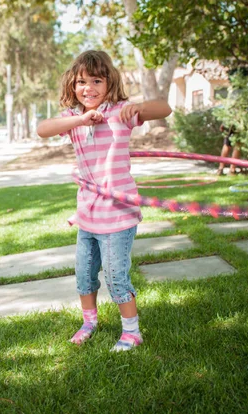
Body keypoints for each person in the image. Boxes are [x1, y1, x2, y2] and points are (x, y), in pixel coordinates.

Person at [36, 50, 172, 352]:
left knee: (115, 276)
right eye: (82, 82)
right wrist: (81, 120)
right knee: (84, 274)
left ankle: (132, 331)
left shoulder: (121, 112)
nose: (89, 88)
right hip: (88, 216)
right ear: (73, 86)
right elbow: (42, 129)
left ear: (110, 83)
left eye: (97, 80)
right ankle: (89, 321)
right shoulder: (73, 119)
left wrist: (137, 106)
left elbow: (165, 108)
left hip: (118, 215)